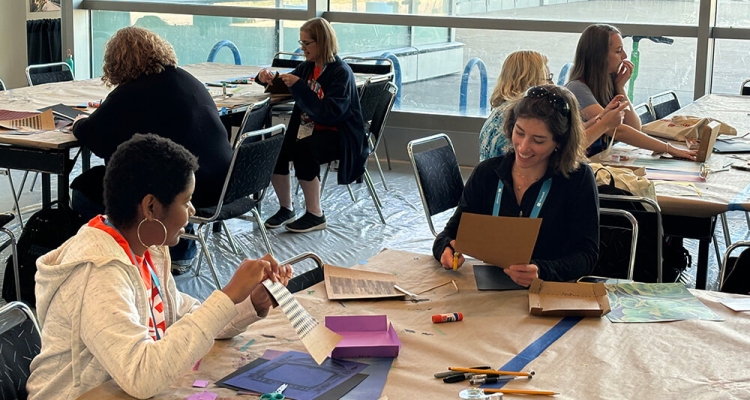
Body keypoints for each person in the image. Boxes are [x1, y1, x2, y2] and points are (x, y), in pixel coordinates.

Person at [26, 134, 293, 400]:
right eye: (186, 200)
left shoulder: (148, 247)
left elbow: (185, 324)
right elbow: (142, 376)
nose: (191, 210)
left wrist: (250, 304)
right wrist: (228, 295)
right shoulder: (98, 272)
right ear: (151, 207)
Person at [71, 26, 233, 271]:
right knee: (164, 171)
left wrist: (78, 123)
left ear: (117, 62)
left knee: (84, 190)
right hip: (223, 182)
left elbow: (94, 136)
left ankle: (116, 257)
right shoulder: (187, 80)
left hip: (188, 192)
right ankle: (180, 252)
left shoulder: (131, 93)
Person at [433, 85, 599, 287]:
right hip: (490, 291)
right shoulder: (487, 174)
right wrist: (444, 249)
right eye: (519, 133)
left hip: (550, 293)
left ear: (559, 143)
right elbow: (450, 233)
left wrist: (542, 271)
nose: (523, 147)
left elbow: (586, 255)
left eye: (538, 140)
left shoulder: (577, 179)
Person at [256, 17, 367, 233]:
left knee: (304, 148)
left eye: (307, 43)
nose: (303, 48)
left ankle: (315, 213)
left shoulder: (340, 73)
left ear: (322, 43)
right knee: (275, 147)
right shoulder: (307, 68)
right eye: (301, 43)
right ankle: (286, 207)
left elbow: (330, 114)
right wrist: (265, 79)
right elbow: (286, 85)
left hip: (339, 134)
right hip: (309, 128)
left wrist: (300, 87)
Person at [566, 24, 697, 160]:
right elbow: (618, 130)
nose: (624, 56)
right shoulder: (577, 88)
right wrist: (669, 148)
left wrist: (620, 88)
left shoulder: (610, 81)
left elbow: (635, 127)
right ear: (599, 56)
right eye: (618, 51)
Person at [480, 50, 626, 162]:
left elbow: (563, 138)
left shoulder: (503, 110)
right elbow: (562, 154)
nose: (551, 84)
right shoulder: (519, 115)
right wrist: (604, 125)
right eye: (548, 78)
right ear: (532, 81)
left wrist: (600, 118)